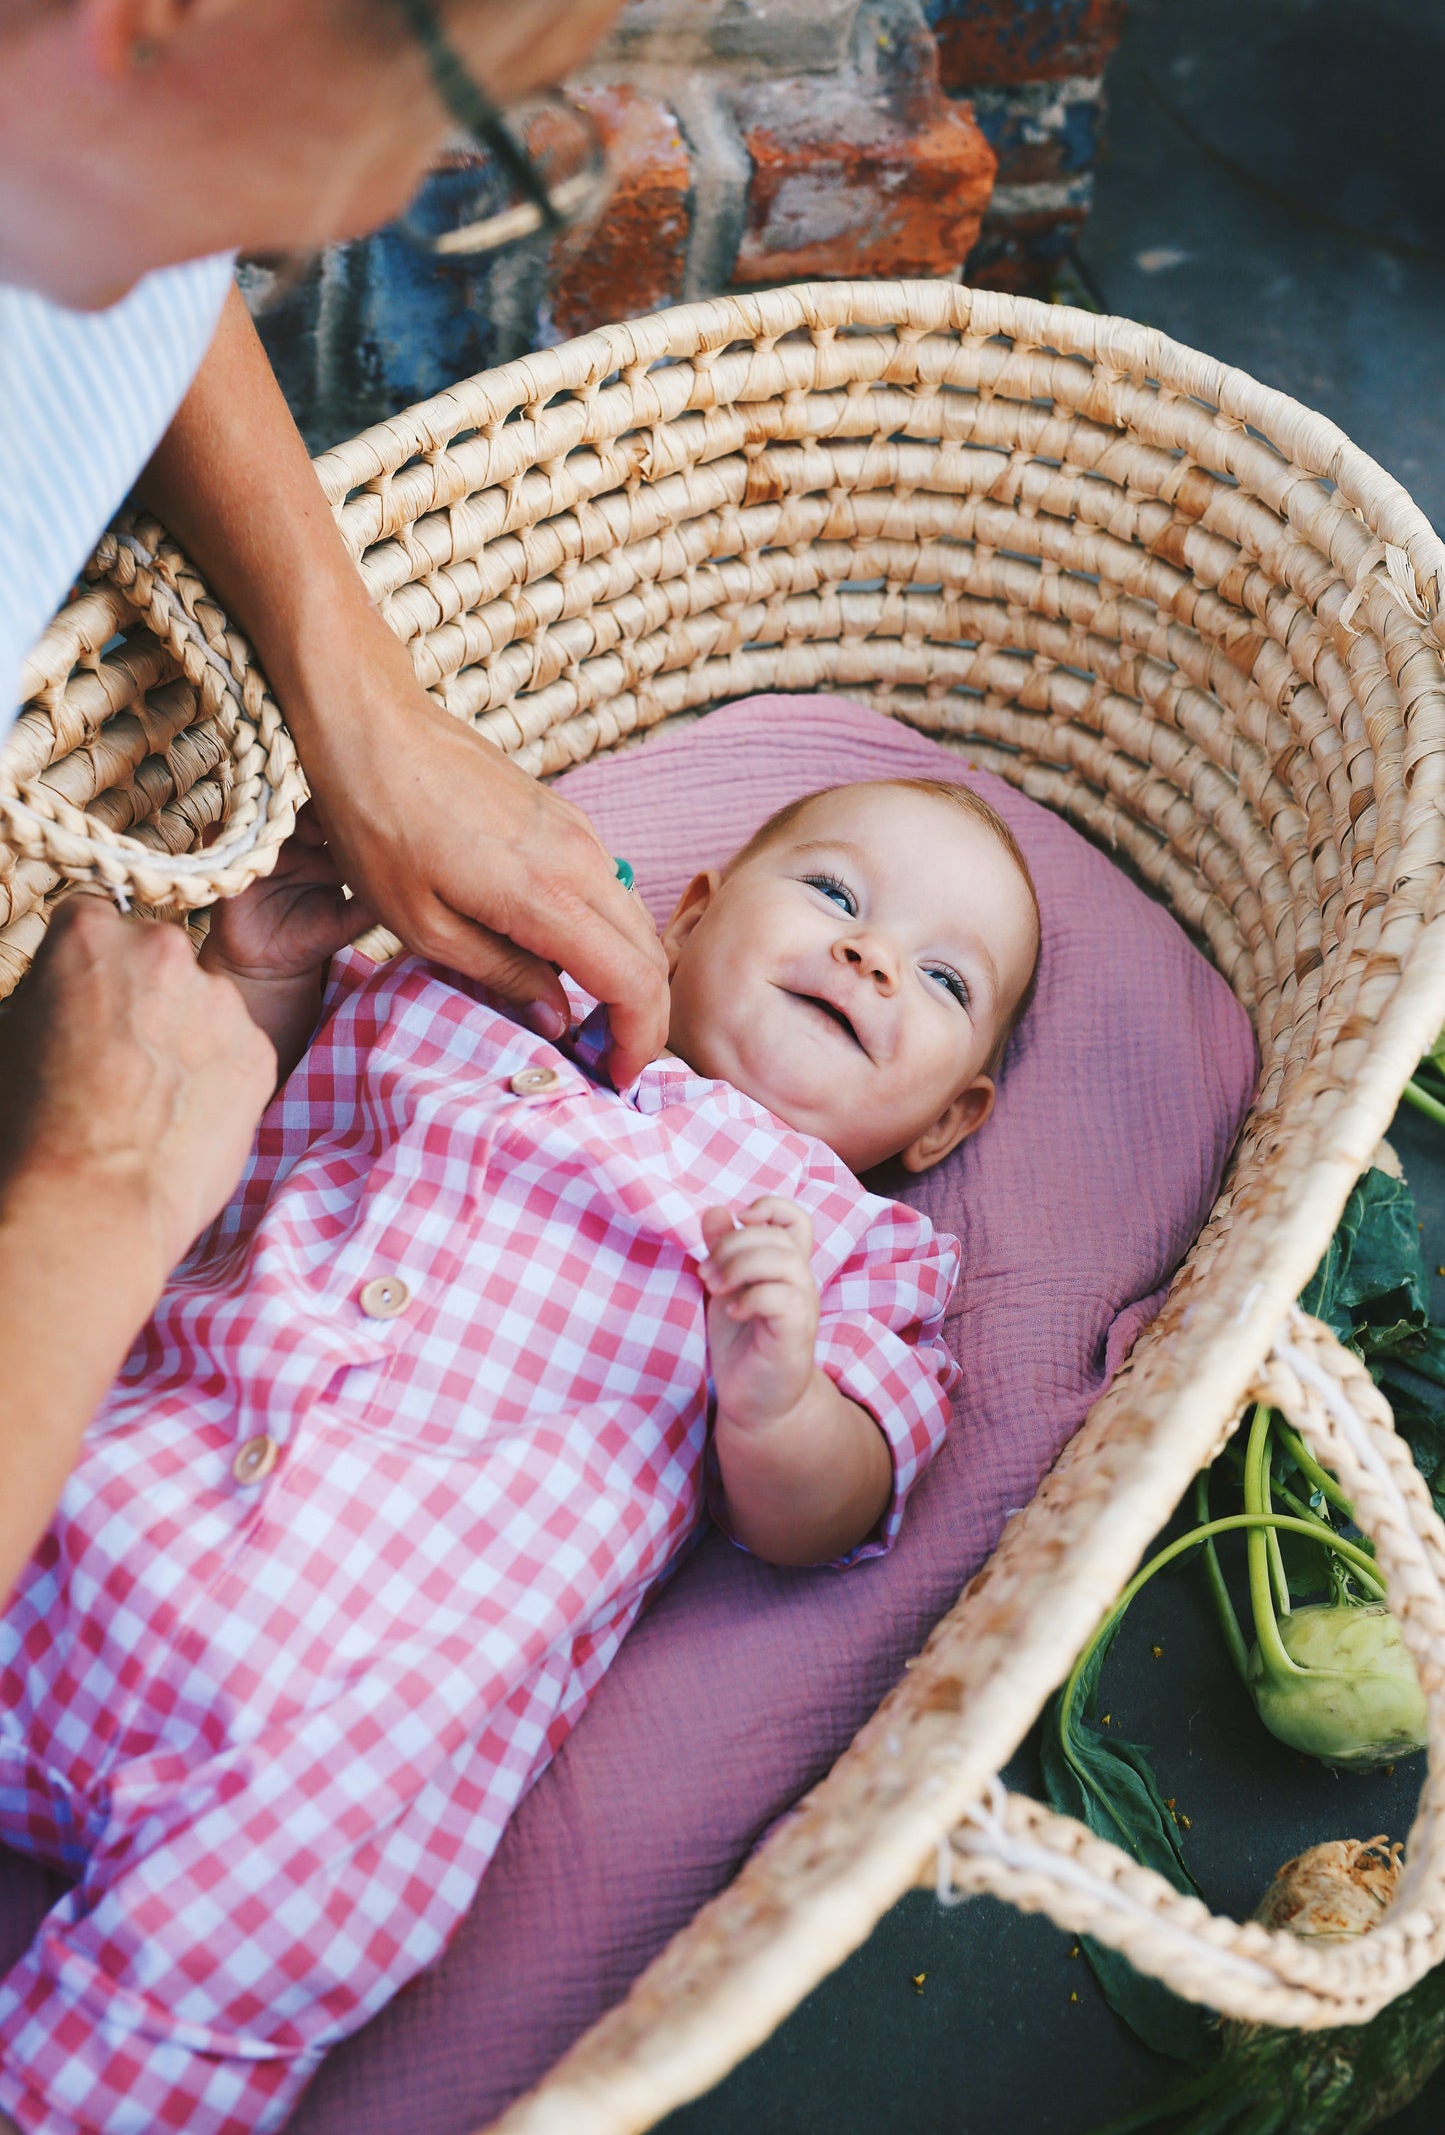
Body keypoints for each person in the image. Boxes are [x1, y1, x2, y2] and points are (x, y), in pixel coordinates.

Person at [0, 777, 1040, 2132]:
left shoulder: (853, 1254)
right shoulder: (466, 1006)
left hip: (345, 1696)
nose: (868, 955)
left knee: (274, 1918)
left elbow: (823, 1511)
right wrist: (264, 972)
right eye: (835, 897)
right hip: (97, 1482)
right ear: (693, 915)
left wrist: (775, 1393)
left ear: (946, 1122)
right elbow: (223, 1119)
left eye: (938, 976)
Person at [0, 0, 669, 1607]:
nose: (378, 200)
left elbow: (126, 226)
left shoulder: (78, 139)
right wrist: (98, 1192)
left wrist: (358, 688)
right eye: (451, 118)